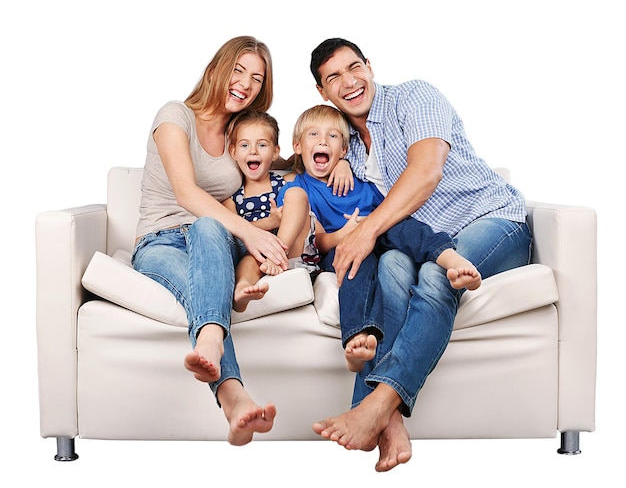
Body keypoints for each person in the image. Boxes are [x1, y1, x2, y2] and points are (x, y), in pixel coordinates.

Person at [308, 38, 533, 472]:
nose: (349, 82)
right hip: (425, 242)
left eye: (355, 67)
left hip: (492, 221)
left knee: (434, 275)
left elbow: (426, 170)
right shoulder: (346, 146)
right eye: (334, 77)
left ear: (370, 66)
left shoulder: (414, 97)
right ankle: (391, 426)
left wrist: (366, 231)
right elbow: (299, 162)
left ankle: (377, 405)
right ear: (322, 92)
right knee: (391, 264)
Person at [131, 36, 289, 446]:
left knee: (208, 230)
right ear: (216, 68)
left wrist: (335, 157)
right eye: (239, 70)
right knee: (204, 268)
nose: (246, 84)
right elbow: (187, 194)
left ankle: (212, 349)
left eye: (257, 78)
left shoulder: (241, 132)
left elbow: (279, 160)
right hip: (161, 241)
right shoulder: (174, 116)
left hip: (215, 241)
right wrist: (252, 231)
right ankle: (233, 394)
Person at [277, 104, 481, 373]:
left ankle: (449, 257)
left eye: (333, 136)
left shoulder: (362, 183)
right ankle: (356, 339)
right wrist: (343, 235)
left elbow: (391, 212)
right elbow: (314, 243)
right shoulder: (297, 188)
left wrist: (367, 225)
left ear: (344, 151)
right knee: (354, 269)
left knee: (401, 226)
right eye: (313, 134)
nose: (323, 140)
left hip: (376, 234)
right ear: (298, 146)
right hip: (337, 250)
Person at [222, 110, 318, 312]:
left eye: (262, 145)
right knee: (250, 260)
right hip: (258, 255)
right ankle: (243, 289)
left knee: (297, 194)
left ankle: (278, 255)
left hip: (290, 250)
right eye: (244, 145)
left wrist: (342, 164)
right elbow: (233, 233)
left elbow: (314, 167)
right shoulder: (232, 198)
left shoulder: (286, 182)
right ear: (233, 152)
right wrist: (270, 222)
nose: (253, 151)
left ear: (275, 152)